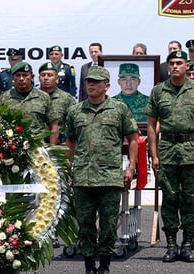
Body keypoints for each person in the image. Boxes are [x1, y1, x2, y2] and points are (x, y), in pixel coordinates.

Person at [65, 66, 138, 274]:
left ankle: (105, 265)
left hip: (110, 177)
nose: (91, 85)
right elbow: (70, 142)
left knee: (108, 226)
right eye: (89, 81)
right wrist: (67, 169)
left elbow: (132, 139)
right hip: (83, 177)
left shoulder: (119, 109)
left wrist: (131, 168)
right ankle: (89, 265)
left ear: (106, 85)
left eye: (96, 82)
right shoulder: (75, 111)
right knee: (86, 225)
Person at [146, 50, 194, 263]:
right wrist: (154, 153)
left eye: (179, 62)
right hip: (167, 149)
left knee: (191, 199)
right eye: (172, 63)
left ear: (187, 66)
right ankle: (170, 245)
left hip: (193, 149)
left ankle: (186, 245)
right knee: (169, 197)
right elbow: (151, 124)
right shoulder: (159, 91)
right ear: (168, 67)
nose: (175, 66)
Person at [0, 61, 59, 144]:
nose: (21, 79)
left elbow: (53, 126)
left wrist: (52, 150)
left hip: (37, 148)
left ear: (32, 77)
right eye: (18, 75)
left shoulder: (43, 97)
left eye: (25, 75)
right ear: (13, 78)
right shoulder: (4, 98)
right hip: (12, 148)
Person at [38, 61, 75, 143]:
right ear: (39, 78)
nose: (46, 78)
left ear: (57, 78)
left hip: (60, 144)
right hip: (36, 145)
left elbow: (72, 124)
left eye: (50, 75)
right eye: (43, 75)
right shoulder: (32, 97)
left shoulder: (66, 98)